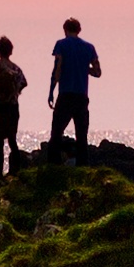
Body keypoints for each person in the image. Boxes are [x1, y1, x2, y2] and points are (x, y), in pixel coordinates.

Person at [47, 17, 101, 165]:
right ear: (79, 30)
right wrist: (83, 68)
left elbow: (57, 69)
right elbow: (97, 72)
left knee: (57, 131)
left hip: (66, 94)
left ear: (65, 29)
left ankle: (54, 164)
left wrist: (51, 90)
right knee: (81, 135)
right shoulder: (89, 48)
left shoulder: (61, 45)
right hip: (82, 96)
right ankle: (82, 166)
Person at [0, 36, 28, 178]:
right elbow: (24, 83)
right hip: (12, 106)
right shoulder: (16, 68)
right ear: (10, 51)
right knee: (12, 139)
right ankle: (16, 171)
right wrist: (16, 92)